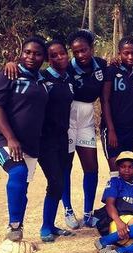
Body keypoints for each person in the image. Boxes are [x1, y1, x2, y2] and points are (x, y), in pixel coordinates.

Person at [0, 36, 48, 241]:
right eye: (27, 52)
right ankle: (14, 227)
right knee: (18, 171)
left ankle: (18, 232)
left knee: (23, 187)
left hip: (31, 144)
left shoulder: (42, 79)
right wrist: (10, 137)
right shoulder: (8, 73)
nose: (31, 56)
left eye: (37, 53)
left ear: (44, 57)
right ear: (21, 54)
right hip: (2, 139)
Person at [63, 29, 108, 229]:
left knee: (92, 167)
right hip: (68, 116)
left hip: (88, 116)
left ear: (91, 48)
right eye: (76, 52)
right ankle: (68, 210)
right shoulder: (66, 67)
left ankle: (88, 213)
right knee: (66, 166)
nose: (81, 55)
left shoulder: (103, 65)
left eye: (84, 50)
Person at [38, 40, 76, 242]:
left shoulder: (68, 78)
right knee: (55, 181)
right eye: (54, 55)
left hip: (63, 137)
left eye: (62, 53)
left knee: (60, 182)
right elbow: (18, 75)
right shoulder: (42, 77)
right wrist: (10, 64)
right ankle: (45, 226)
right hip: (45, 140)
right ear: (47, 59)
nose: (60, 57)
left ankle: (51, 225)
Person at [101, 37, 133, 174]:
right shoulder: (111, 71)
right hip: (113, 129)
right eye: (126, 53)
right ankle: (111, 195)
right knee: (116, 172)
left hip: (131, 130)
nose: (130, 56)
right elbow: (105, 101)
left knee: (128, 173)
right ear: (119, 54)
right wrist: (111, 130)